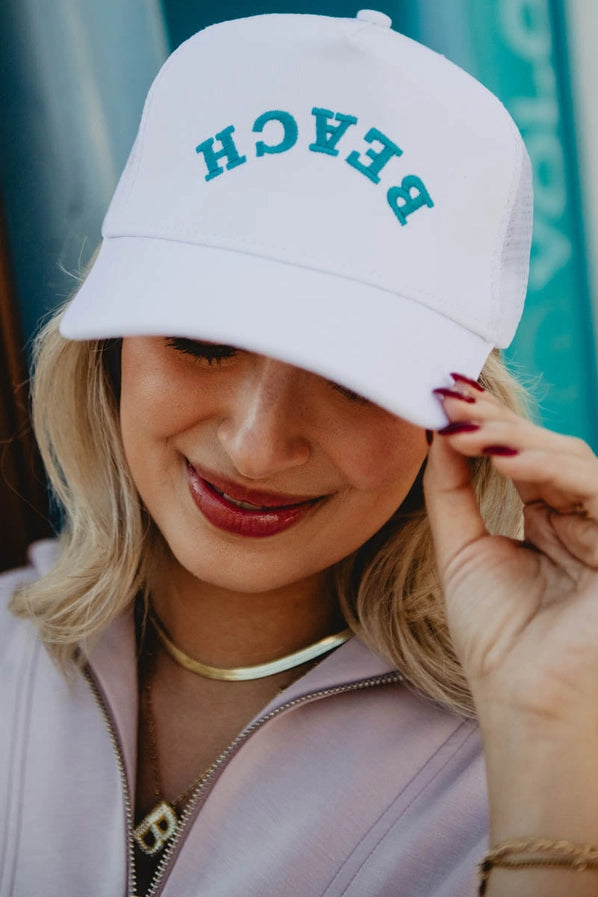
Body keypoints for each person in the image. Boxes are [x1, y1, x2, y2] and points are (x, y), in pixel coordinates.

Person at [2, 9, 598, 897]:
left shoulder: (555, 763)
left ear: (459, 416)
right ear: (110, 346)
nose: (255, 445)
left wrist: (548, 745)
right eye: (202, 341)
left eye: (353, 377)